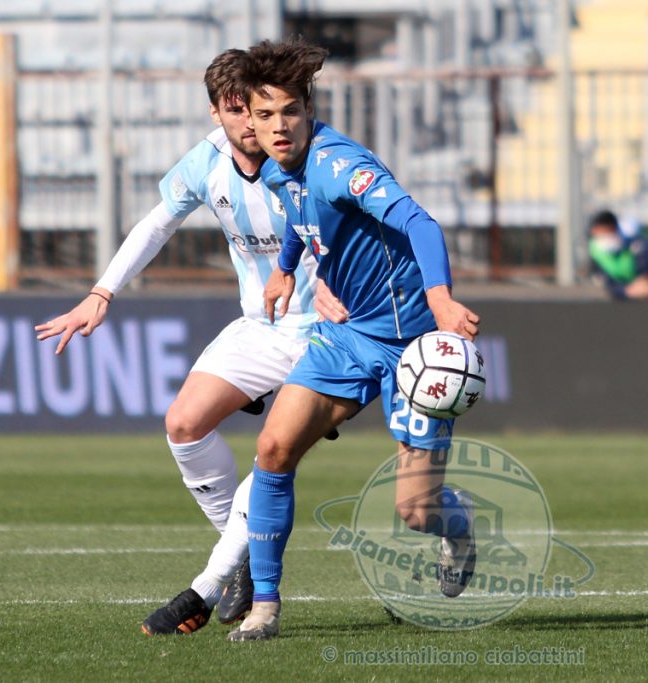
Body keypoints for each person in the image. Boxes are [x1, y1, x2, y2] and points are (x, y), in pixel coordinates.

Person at [34, 48, 326, 635]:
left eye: (256, 108)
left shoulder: (313, 155)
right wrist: (102, 291)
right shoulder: (206, 162)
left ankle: (215, 579)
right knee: (184, 424)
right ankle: (241, 557)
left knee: (274, 451)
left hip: (328, 331)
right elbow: (157, 222)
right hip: (261, 324)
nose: (251, 123)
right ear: (216, 112)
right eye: (235, 110)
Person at [223, 38, 481, 642]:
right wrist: (286, 268)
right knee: (273, 449)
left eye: (290, 111)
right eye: (265, 114)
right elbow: (301, 218)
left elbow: (418, 221)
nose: (279, 126)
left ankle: (458, 523)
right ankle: (265, 607)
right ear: (250, 121)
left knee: (415, 510)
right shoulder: (278, 170)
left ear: (309, 109)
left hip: (414, 350)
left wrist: (440, 298)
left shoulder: (342, 165)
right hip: (346, 337)